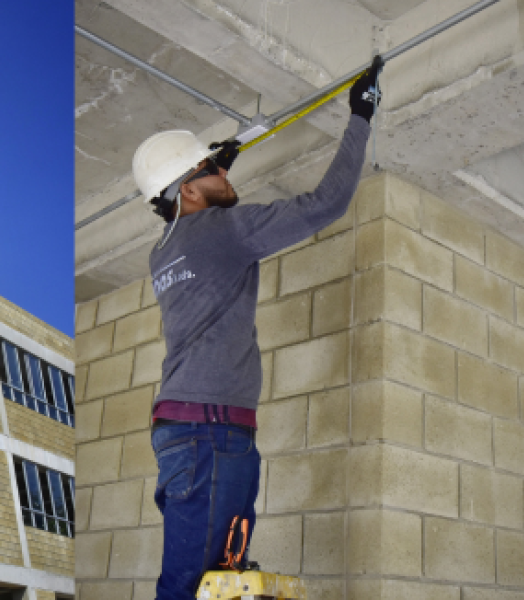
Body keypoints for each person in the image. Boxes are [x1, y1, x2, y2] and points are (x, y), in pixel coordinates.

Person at [131, 57, 383, 599]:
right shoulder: (222, 232)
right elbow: (326, 204)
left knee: (217, 581)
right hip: (210, 433)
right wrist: (362, 115)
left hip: (198, 430)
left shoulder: (163, 251)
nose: (223, 171)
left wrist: (214, 167)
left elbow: (195, 208)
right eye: (211, 168)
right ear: (190, 193)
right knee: (192, 586)